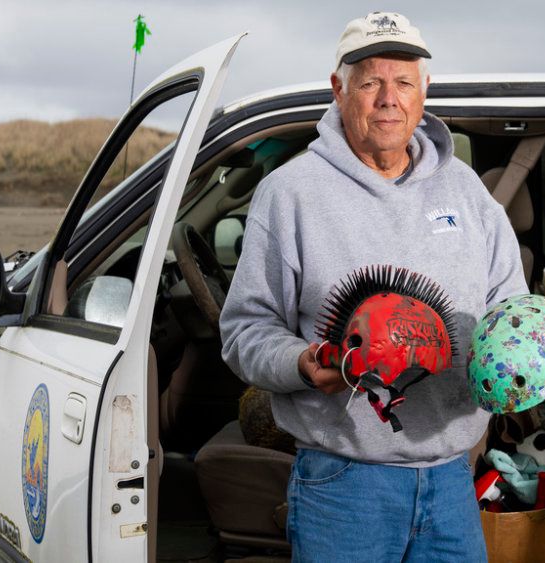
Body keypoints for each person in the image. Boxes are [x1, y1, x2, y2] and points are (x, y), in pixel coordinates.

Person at [218, 12, 527, 562]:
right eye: (370, 81)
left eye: (404, 81)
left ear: (424, 89)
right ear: (339, 89)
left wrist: (522, 356)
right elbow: (246, 329)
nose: (389, 98)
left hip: (453, 479)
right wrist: (302, 362)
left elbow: (509, 310)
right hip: (344, 486)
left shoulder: (468, 195)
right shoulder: (290, 194)